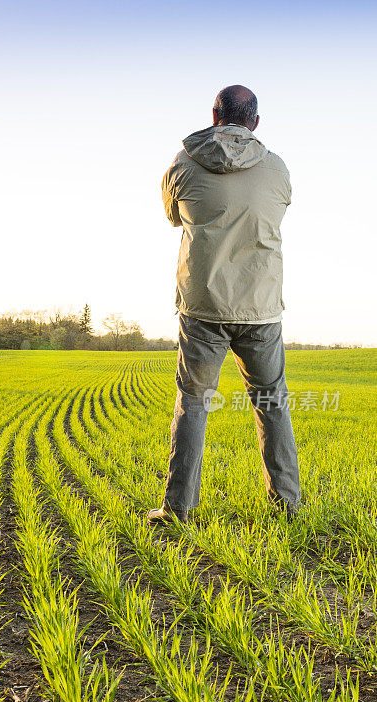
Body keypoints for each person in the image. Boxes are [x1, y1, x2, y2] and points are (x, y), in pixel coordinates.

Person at [148, 85, 301, 525]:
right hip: (261, 306)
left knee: (192, 402)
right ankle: (287, 506)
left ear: (214, 116)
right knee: (272, 402)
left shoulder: (182, 163)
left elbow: (174, 216)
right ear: (255, 123)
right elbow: (273, 215)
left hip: (202, 306)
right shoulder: (277, 169)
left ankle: (178, 510)